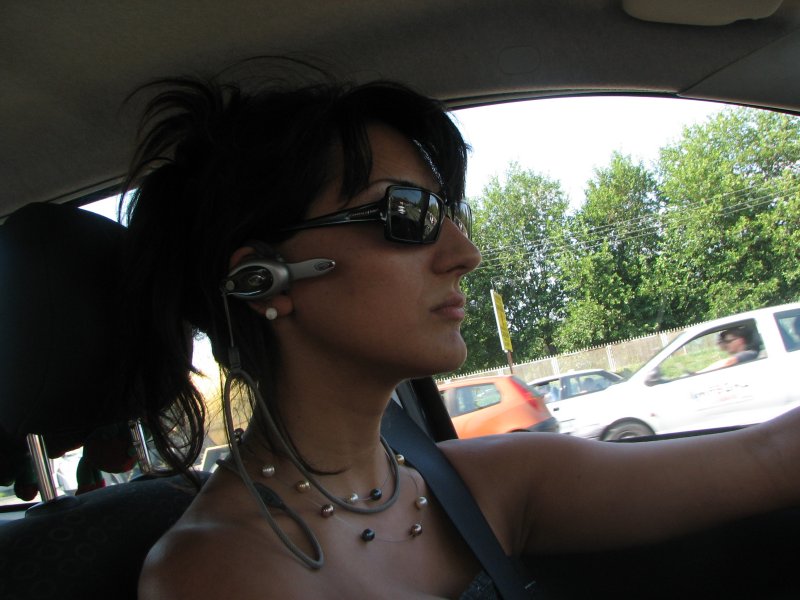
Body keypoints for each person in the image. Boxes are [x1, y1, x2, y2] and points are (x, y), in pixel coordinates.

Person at [122, 65, 800, 599]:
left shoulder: (483, 487)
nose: (465, 253)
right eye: (405, 214)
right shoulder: (214, 571)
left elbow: (771, 457)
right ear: (263, 278)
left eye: (449, 213)